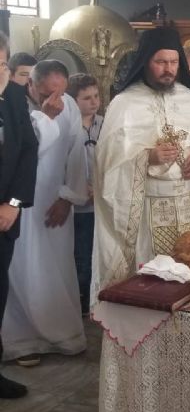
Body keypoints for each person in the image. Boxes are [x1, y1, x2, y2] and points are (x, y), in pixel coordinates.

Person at [91, 27, 190, 302]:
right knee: (153, 285)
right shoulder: (124, 103)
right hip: (147, 211)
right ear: (145, 62)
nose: (169, 69)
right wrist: (147, 157)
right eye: (161, 62)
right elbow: (107, 160)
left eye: (174, 62)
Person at [3, 60, 88, 364]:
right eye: (47, 93)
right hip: (19, 201)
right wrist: (45, 116)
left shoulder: (69, 106)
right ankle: (22, 341)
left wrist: (69, 197)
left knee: (57, 269)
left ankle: (62, 335)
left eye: (61, 93)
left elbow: (76, 153)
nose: (55, 100)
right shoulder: (14, 104)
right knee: (20, 269)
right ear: (31, 85)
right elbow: (26, 152)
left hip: (54, 200)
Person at [0, 33, 38, 398]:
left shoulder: (13, 96)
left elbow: (28, 149)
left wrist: (13, 203)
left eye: (1, 65)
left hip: (4, 217)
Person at [67, 73, 104, 315]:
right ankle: (81, 301)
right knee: (81, 254)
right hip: (78, 206)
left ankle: (96, 296)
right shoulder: (67, 126)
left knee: (97, 253)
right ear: (73, 101)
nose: (94, 102)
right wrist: (81, 189)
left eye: (96, 96)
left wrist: (100, 187)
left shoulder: (105, 124)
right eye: (87, 98)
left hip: (101, 202)